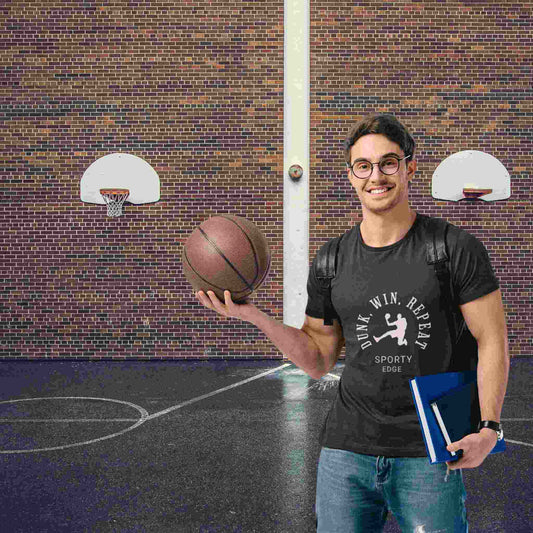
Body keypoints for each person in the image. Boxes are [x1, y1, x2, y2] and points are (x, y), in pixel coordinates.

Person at [195, 113, 509, 532]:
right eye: (363, 166)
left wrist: (489, 428)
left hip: (429, 452)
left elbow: (492, 339)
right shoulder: (332, 259)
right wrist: (253, 315)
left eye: (388, 163)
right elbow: (318, 359)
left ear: (410, 166)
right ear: (350, 175)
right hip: (346, 450)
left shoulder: (453, 248)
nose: (375, 176)